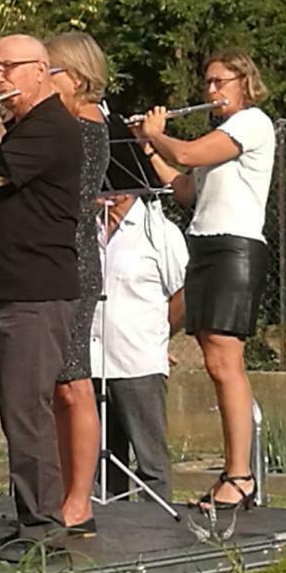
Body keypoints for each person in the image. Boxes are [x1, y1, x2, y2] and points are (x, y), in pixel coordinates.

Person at [0, 34, 82, 554]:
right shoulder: (23, 127)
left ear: (41, 71)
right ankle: (31, 515)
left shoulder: (51, 126)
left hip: (35, 291)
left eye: (7, 68)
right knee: (15, 409)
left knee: (27, 411)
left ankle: (42, 524)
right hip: (7, 287)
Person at [134, 51, 274, 512]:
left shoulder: (251, 123)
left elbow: (190, 153)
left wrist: (161, 134)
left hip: (234, 249)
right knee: (211, 358)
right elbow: (186, 189)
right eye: (208, 83)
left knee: (224, 361)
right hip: (206, 244)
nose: (211, 91)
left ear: (244, 81)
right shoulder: (220, 135)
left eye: (220, 82)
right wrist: (150, 147)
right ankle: (235, 473)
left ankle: (240, 474)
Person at [44, 31, 110, 535]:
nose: (45, 79)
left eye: (52, 71)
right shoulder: (57, 124)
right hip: (50, 253)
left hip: (74, 254)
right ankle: (64, 492)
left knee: (74, 379)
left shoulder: (85, 127)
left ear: (80, 78)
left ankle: (80, 501)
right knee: (58, 384)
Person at [91, 194, 187, 503]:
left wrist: (159, 333)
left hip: (138, 361)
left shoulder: (159, 231)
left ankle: (156, 530)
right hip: (90, 362)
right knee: (98, 462)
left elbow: (184, 293)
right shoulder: (84, 229)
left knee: (150, 460)